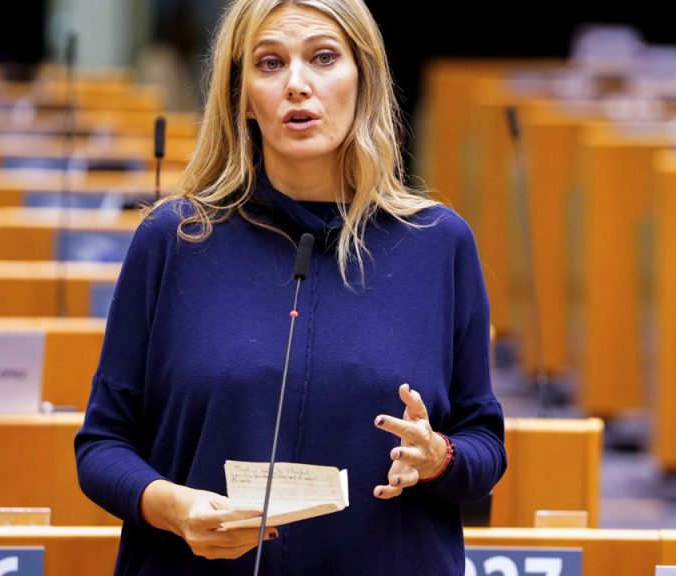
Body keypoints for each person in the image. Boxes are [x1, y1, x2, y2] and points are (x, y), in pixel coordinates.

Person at [74, 0, 507, 573]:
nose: (297, 84)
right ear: (241, 95)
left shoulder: (438, 243)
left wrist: (438, 456)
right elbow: (102, 446)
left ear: (364, 79)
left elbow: (485, 445)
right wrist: (172, 508)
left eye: (323, 58)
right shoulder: (174, 238)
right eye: (270, 63)